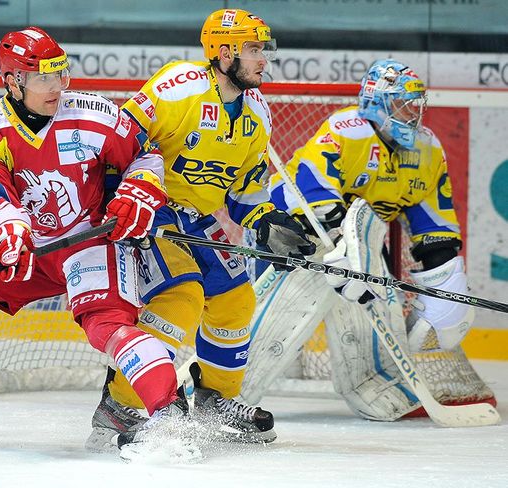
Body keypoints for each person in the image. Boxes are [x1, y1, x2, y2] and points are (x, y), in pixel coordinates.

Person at [0, 26, 185, 448]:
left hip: (90, 243)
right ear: (12, 81)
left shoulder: (94, 114)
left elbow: (144, 153)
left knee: (106, 327)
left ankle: (169, 418)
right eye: (41, 78)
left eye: (60, 74)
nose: (55, 86)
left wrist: (139, 190)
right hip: (30, 250)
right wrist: (11, 233)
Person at [85, 9, 315, 451]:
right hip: (150, 209)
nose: (262, 59)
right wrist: (117, 198)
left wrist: (266, 221)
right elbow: (119, 140)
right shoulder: (178, 87)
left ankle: (214, 400)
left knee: (235, 300)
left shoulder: (257, 113)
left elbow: (246, 191)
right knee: (182, 297)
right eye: (253, 49)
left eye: (263, 50)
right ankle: (121, 404)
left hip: (197, 217)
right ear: (223, 52)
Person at [260, 59, 474, 420]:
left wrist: (446, 281)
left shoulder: (427, 150)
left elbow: (435, 227)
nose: (411, 111)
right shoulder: (347, 131)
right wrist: (340, 247)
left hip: (361, 237)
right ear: (377, 102)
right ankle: (223, 386)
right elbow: (313, 191)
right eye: (401, 103)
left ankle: (376, 384)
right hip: (290, 231)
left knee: (368, 306)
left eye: (415, 103)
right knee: (274, 322)